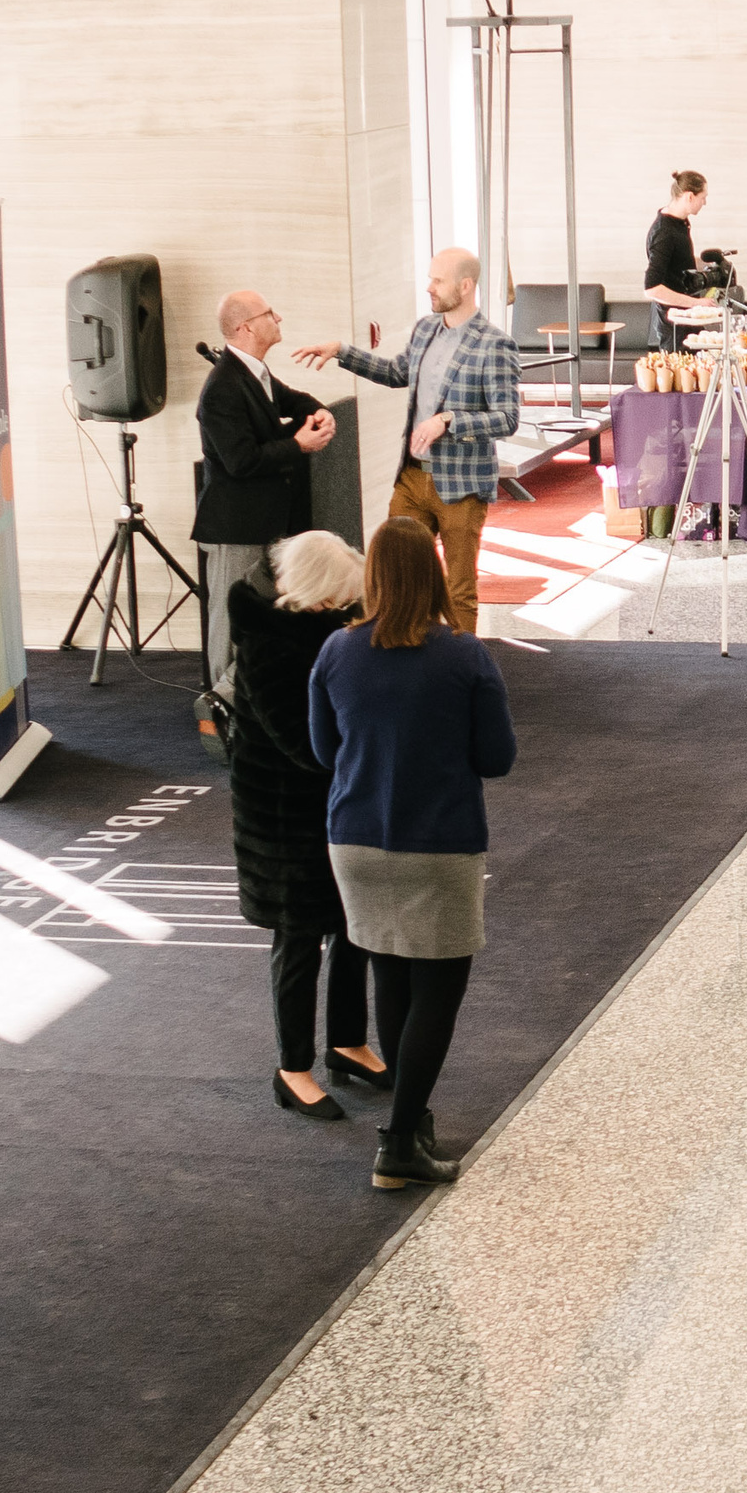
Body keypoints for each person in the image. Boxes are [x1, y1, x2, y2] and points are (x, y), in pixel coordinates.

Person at [309, 516, 518, 1189]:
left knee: (391, 978)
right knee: (439, 990)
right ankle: (399, 1142)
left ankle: (411, 1120)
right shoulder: (463, 655)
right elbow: (498, 757)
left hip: (356, 842)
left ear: (370, 577)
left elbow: (323, 752)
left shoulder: (336, 653)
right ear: (432, 574)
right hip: (439, 841)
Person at [228, 530, 385, 1123]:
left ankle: (346, 1043)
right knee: (297, 940)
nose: (346, 608)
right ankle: (291, 1069)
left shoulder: (322, 630)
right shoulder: (270, 643)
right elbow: (302, 744)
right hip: (283, 818)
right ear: (313, 592)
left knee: (353, 929)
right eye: (337, 598)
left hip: (334, 805)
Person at [293, 249, 521, 638]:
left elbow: (507, 419)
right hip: (412, 480)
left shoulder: (493, 345)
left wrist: (449, 420)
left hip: (462, 486)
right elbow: (396, 372)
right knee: (393, 575)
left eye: (438, 280)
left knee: (458, 589)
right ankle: (397, 652)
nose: (429, 287)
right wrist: (343, 352)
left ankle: (458, 668)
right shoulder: (425, 330)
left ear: (465, 286)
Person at [194, 290, 338, 697]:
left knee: (260, 619)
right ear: (246, 327)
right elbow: (239, 461)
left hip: (264, 522)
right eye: (269, 313)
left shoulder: (252, 372)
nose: (279, 317)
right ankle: (220, 709)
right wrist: (300, 446)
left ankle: (249, 707)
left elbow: (293, 398)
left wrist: (319, 410)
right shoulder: (222, 386)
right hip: (235, 527)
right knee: (230, 622)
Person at [644, 169, 731, 310]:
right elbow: (652, 289)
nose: (705, 203)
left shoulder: (680, 223)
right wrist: (696, 302)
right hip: (672, 323)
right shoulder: (664, 233)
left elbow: (678, 262)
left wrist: (713, 265)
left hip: (687, 315)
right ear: (690, 196)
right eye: (703, 198)